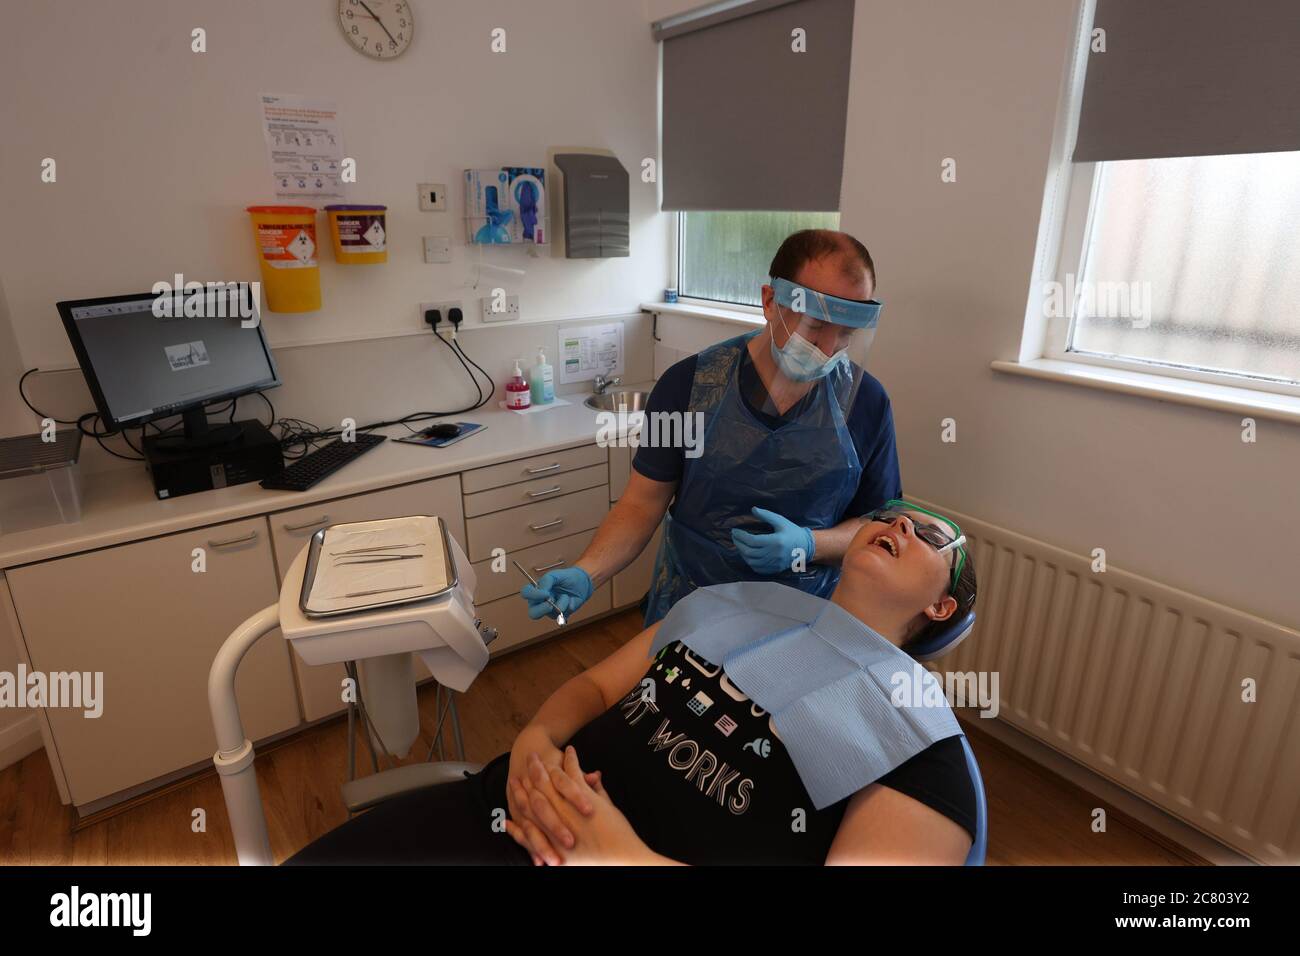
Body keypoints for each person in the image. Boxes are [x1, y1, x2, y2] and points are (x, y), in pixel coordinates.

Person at [285, 502, 978, 866]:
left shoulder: (920, 746)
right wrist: (536, 736)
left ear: (941, 608)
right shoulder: (731, 603)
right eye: (889, 517)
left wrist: (619, 857)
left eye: (927, 535)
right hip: (507, 810)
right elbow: (591, 688)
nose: (898, 524)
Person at [520, 229, 901, 628]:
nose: (828, 348)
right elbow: (642, 504)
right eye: (813, 327)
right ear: (770, 301)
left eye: (845, 333)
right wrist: (588, 571)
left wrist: (812, 544)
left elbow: (878, 523)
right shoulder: (688, 388)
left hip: (803, 622)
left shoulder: (867, 404)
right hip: (692, 609)